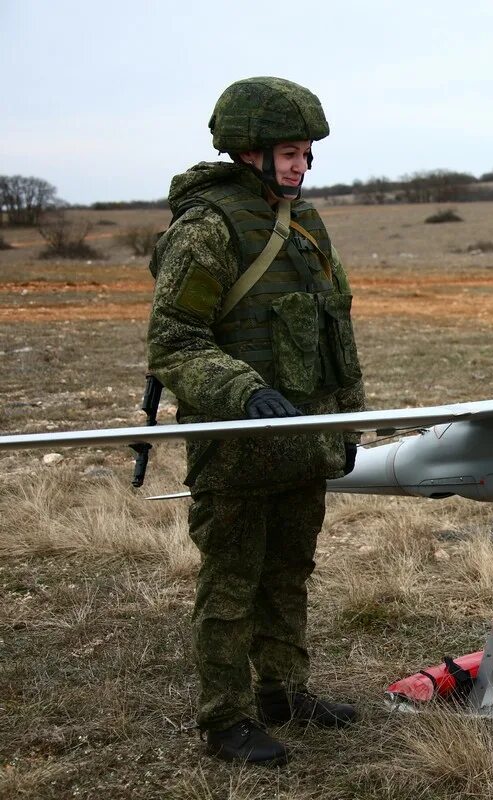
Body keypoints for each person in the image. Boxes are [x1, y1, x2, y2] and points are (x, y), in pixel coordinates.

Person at [146, 77, 366, 766]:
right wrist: (243, 391)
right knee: (232, 581)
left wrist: (349, 420)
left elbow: (337, 330)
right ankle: (226, 719)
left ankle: (284, 691)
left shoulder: (308, 225)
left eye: (306, 153)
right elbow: (174, 339)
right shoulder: (207, 227)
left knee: (289, 572)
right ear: (249, 151)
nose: (300, 165)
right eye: (288, 152)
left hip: (303, 441)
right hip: (237, 446)